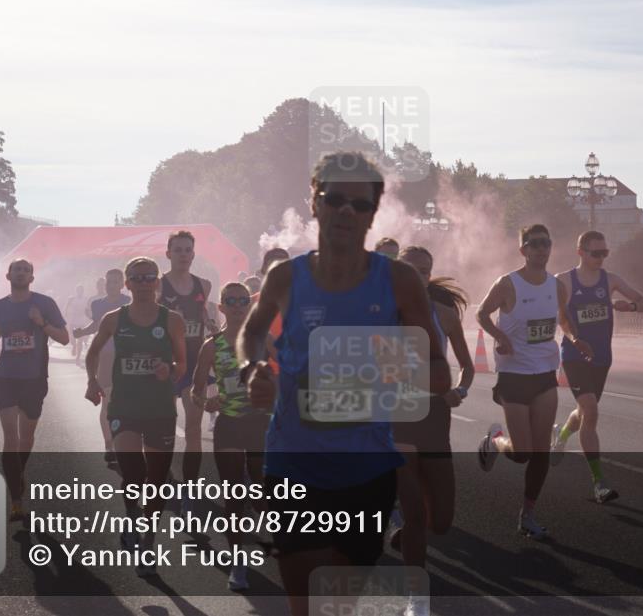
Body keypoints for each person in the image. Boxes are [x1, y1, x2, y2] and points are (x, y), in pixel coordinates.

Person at [238, 152, 450, 616]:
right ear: (314, 203)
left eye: (360, 203)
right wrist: (253, 367)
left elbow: (439, 371)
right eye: (333, 199)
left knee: (338, 605)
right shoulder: (285, 277)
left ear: (374, 212)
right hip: (294, 463)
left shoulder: (399, 281)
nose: (345, 211)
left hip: (366, 469)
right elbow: (252, 332)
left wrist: (371, 368)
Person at [475, 224, 590, 540]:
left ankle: (528, 514)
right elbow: (482, 314)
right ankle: (495, 440)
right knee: (521, 452)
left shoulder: (556, 286)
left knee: (540, 453)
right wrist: (499, 336)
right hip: (513, 375)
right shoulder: (507, 284)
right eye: (534, 244)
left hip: (543, 374)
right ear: (523, 249)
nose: (541, 249)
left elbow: (563, 320)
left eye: (546, 244)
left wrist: (575, 338)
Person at [85, 257, 187, 576]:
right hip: (125, 406)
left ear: (157, 283)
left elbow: (183, 363)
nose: (143, 283)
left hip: (159, 408)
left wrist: (169, 369)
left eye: (149, 278)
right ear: (127, 284)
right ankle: (132, 513)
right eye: (137, 278)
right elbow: (92, 350)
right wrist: (92, 381)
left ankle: (148, 541)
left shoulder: (172, 320)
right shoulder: (114, 318)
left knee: (156, 482)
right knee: (133, 474)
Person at [391, 245, 474, 581]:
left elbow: (467, 367)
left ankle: (411, 533)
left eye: (424, 271)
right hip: (397, 416)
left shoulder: (445, 313)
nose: (418, 276)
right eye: (410, 270)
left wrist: (460, 390)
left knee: (440, 521)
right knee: (413, 515)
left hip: (435, 417)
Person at [550, 231, 643, 503]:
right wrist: (575, 339)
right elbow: (561, 318)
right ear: (580, 252)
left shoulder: (610, 280)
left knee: (585, 410)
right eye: (596, 253)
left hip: (602, 357)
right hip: (574, 356)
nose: (601, 258)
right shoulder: (564, 281)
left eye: (605, 253)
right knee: (591, 410)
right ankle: (599, 482)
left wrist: (628, 307)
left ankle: (560, 436)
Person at [0, 259, 69, 521]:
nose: (21, 273)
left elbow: (64, 338)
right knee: (10, 439)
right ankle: (16, 499)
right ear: (8, 275)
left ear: (32, 277)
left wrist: (41, 323)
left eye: (26, 270)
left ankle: (17, 473)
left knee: (26, 439)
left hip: (34, 379)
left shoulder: (45, 304)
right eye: (17, 269)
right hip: (5, 377)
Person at [191, 281, 269, 591]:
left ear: (248, 305)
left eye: (242, 300)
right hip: (230, 424)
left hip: (262, 423)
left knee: (263, 494)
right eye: (230, 300)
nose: (237, 305)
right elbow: (195, 391)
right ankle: (239, 562)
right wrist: (205, 402)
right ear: (221, 307)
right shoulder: (211, 345)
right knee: (234, 495)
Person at [159, 231, 214, 501]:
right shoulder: (157, 287)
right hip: (165, 365)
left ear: (194, 254)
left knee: (193, 428)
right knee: (164, 429)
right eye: (178, 250)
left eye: (187, 250)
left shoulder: (204, 285)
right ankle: (164, 474)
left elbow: (204, 316)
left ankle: (191, 486)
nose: (183, 254)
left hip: (194, 364)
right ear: (168, 254)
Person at [73, 269, 131, 463]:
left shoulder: (129, 303)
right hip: (105, 355)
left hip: (127, 356)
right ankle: (109, 444)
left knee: (125, 402)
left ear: (122, 284)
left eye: (115, 281)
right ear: (104, 283)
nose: (111, 284)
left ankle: (124, 442)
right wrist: (82, 333)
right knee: (106, 401)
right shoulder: (98, 304)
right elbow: (97, 325)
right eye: (109, 281)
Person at [64, 284, 90, 365]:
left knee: (80, 340)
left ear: (83, 291)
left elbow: (88, 309)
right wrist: (65, 315)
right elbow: (66, 308)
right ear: (76, 291)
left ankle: (78, 357)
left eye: (81, 290)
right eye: (78, 290)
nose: (80, 291)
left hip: (82, 321)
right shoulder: (71, 299)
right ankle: (74, 345)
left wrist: (89, 317)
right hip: (73, 320)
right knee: (71, 336)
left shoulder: (86, 299)